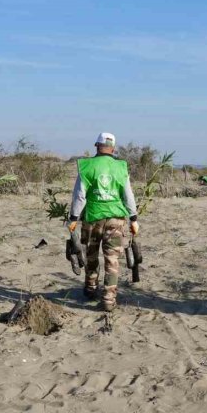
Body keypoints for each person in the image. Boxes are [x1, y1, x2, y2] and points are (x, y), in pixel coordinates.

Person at [67, 132, 139, 312]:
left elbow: (80, 196)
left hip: (92, 219)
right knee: (112, 260)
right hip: (116, 220)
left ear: (96, 146)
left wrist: (74, 218)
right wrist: (134, 218)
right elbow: (128, 195)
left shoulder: (87, 166)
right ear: (113, 148)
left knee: (91, 256)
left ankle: (91, 289)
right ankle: (108, 299)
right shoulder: (121, 167)